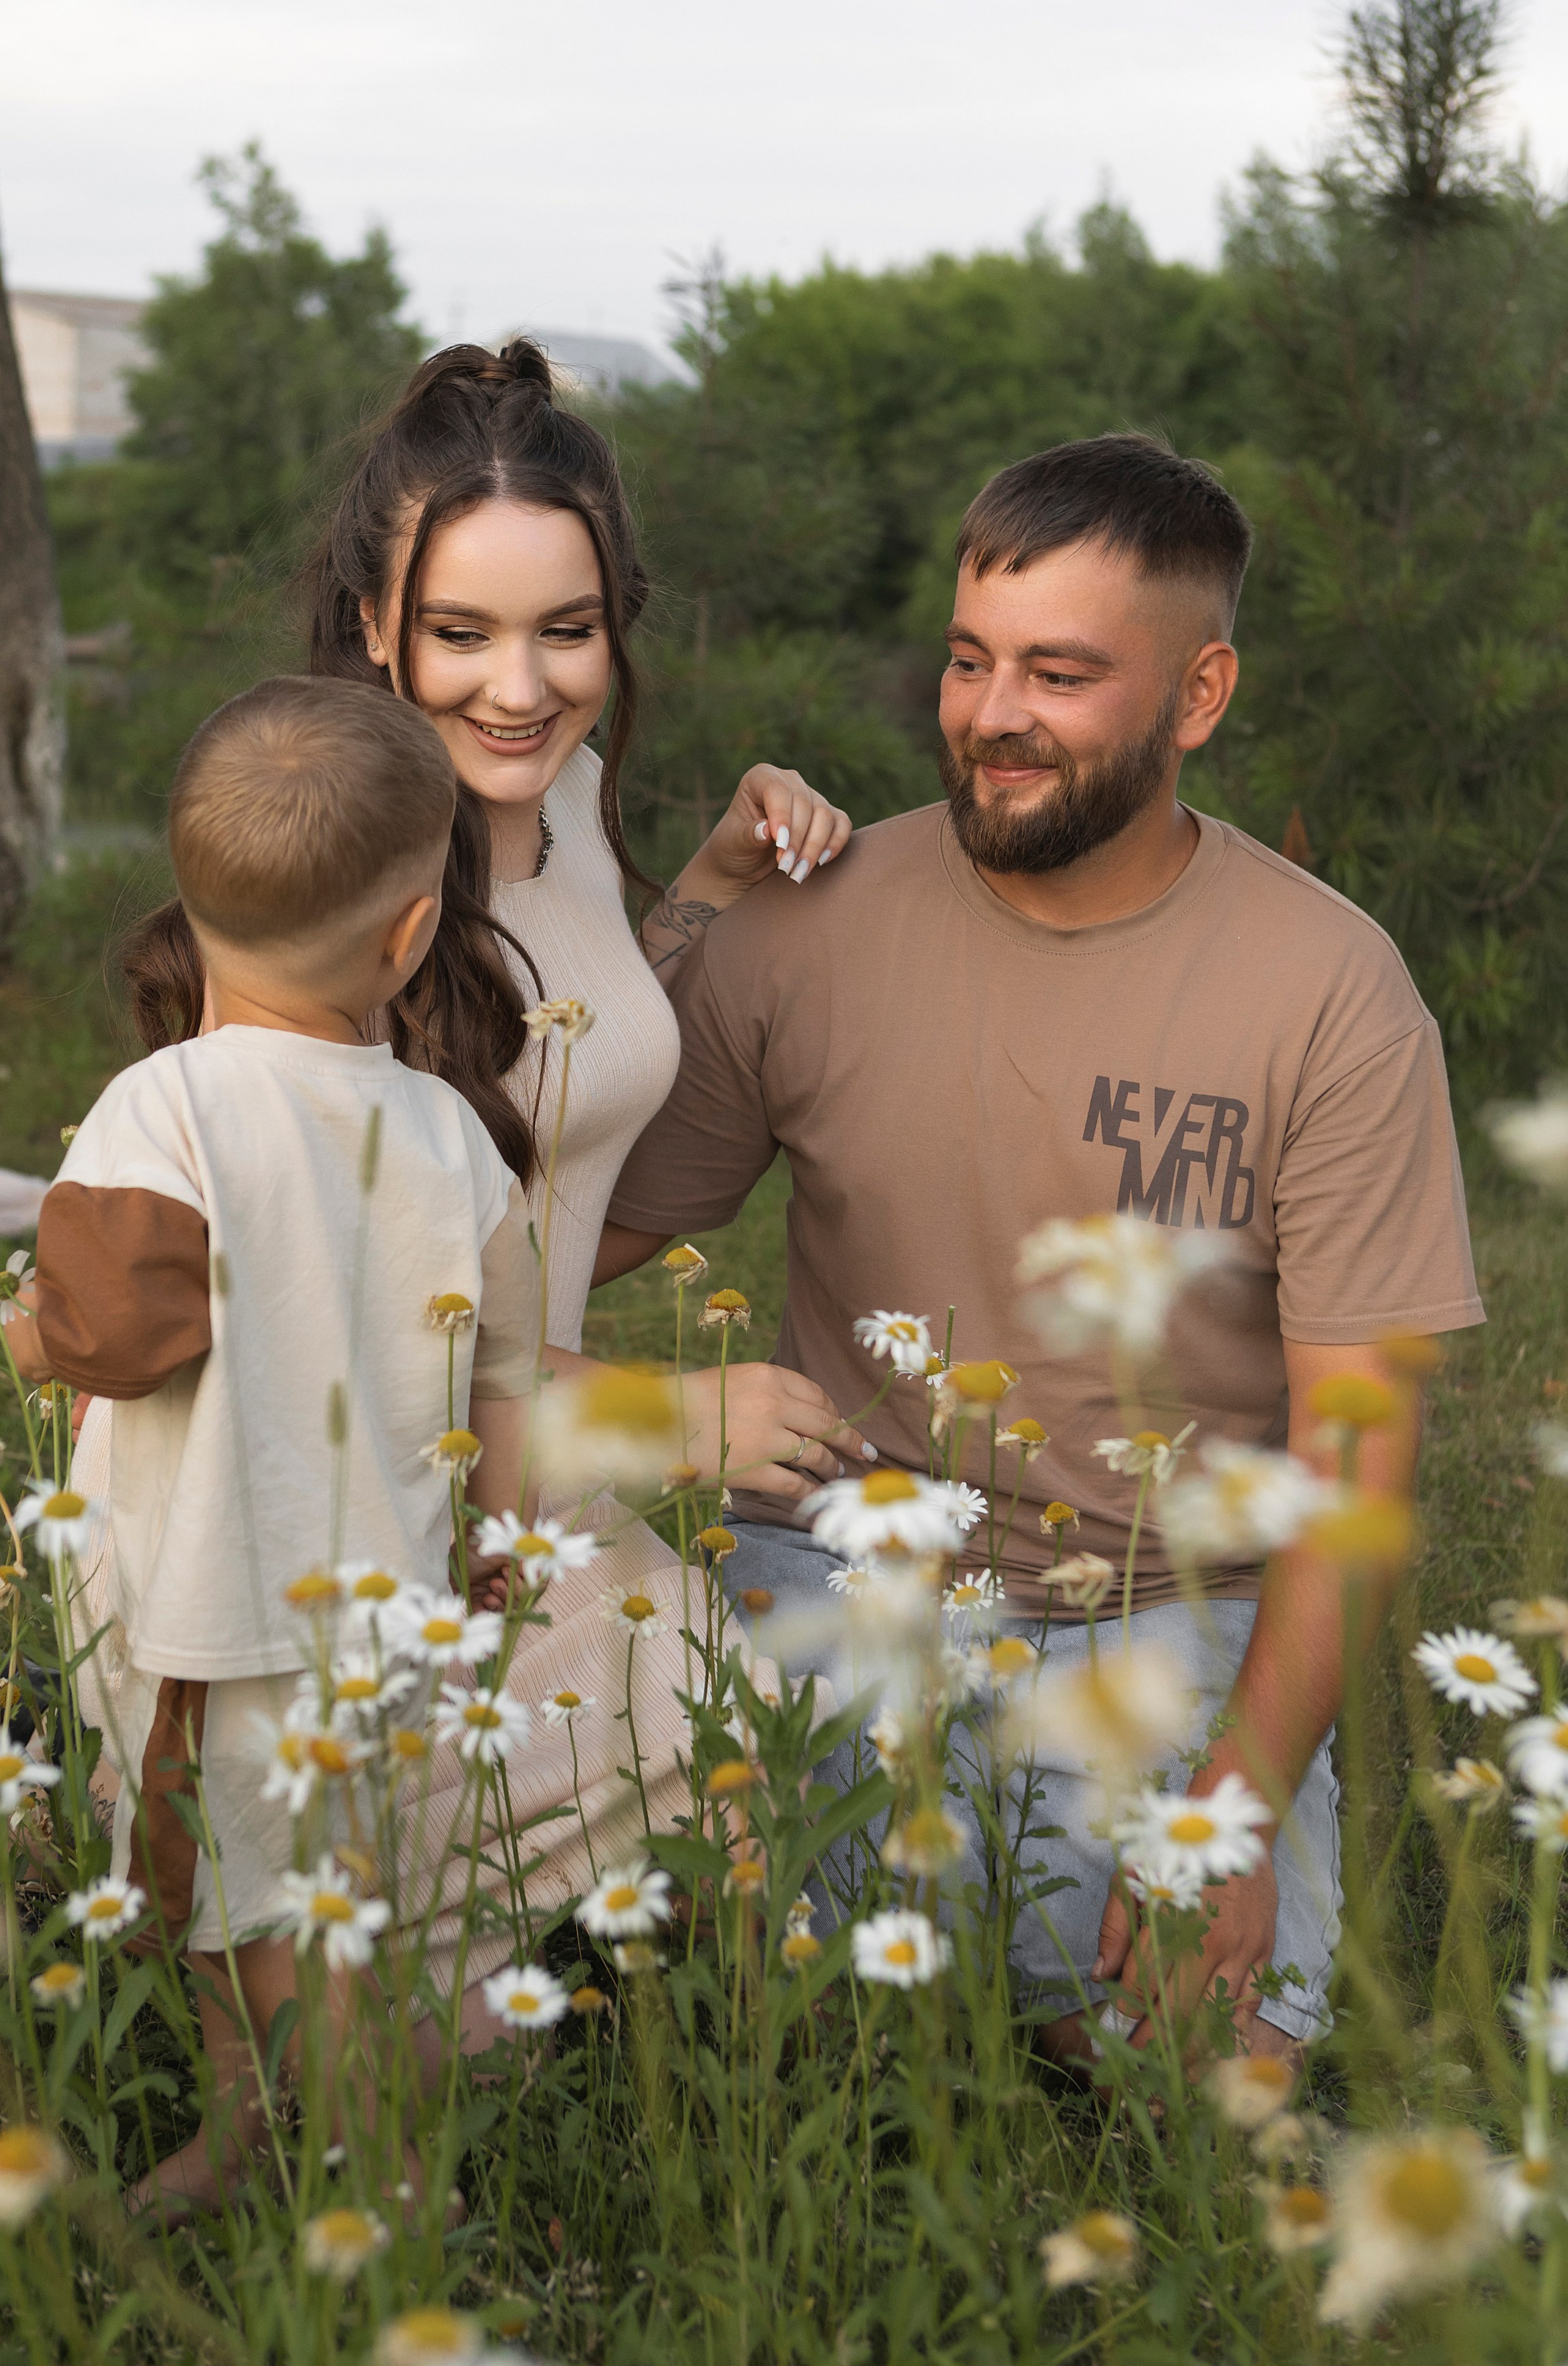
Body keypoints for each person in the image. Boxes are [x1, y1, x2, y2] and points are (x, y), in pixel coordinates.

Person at [599, 432, 1484, 2064]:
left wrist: (1227, 1812)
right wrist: (688, 917)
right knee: (668, 1977)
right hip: (830, 1571)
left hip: (1155, 1609)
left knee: (1213, 2078)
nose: (991, 716)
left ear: (1196, 694)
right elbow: (572, 1236)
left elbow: (1360, 1477)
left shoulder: (1329, 993)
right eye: (966, 660)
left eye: (1059, 675)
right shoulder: (815, 912)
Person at [22, 677, 718, 2211]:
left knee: (263, 1923)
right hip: (377, 1612)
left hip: (212, 1620)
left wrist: (29, 1331)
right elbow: (503, 1382)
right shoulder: (449, 1135)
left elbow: (105, 1336)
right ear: (412, 937)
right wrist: (490, 1555)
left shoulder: (162, 1108)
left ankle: (398, 2194)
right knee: (267, 1902)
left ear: (188, 907)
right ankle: (248, 2134)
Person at [122, 337, 869, 1495]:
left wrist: (715, 884)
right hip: (359, 1522)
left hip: (524, 1478)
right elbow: (336, 1319)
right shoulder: (337, 891)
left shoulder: (563, 789)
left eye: (566, 632)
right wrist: (662, 1412)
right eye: (461, 634)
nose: (519, 693)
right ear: (375, 624)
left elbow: (563, 1032)